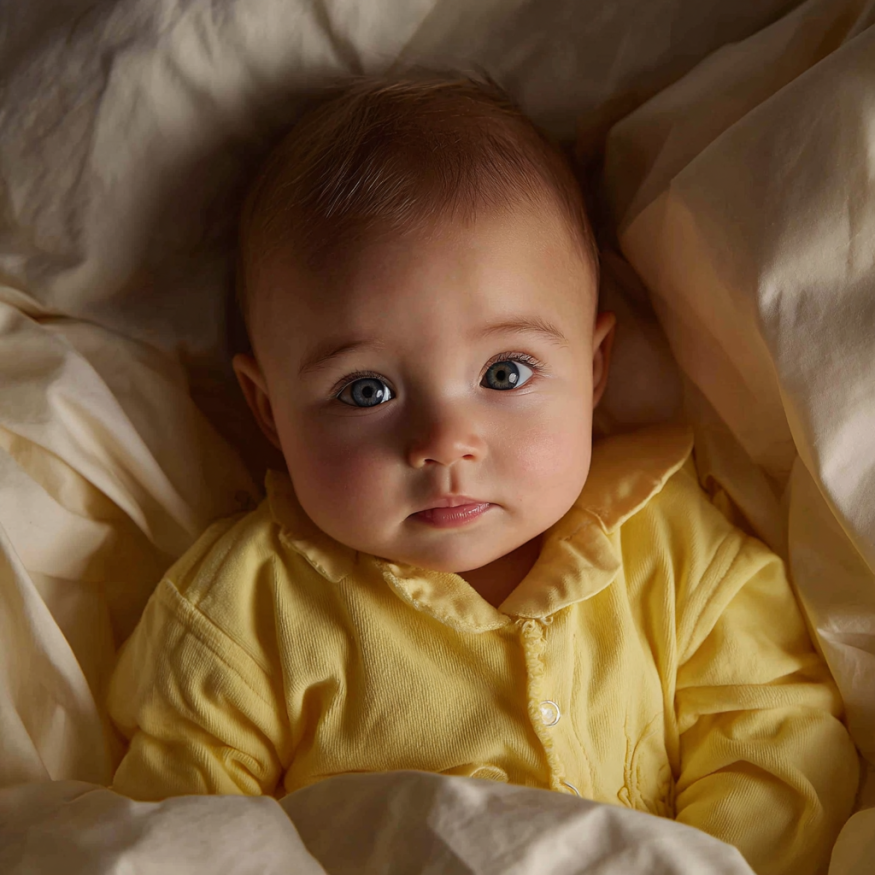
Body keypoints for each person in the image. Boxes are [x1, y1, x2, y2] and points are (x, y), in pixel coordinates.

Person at [107, 73, 859, 875]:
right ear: (268, 411)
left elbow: (776, 740)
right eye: (367, 390)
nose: (444, 440)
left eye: (504, 373)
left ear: (594, 366)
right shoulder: (243, 610)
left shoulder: (678, 550)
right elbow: (180, 830)